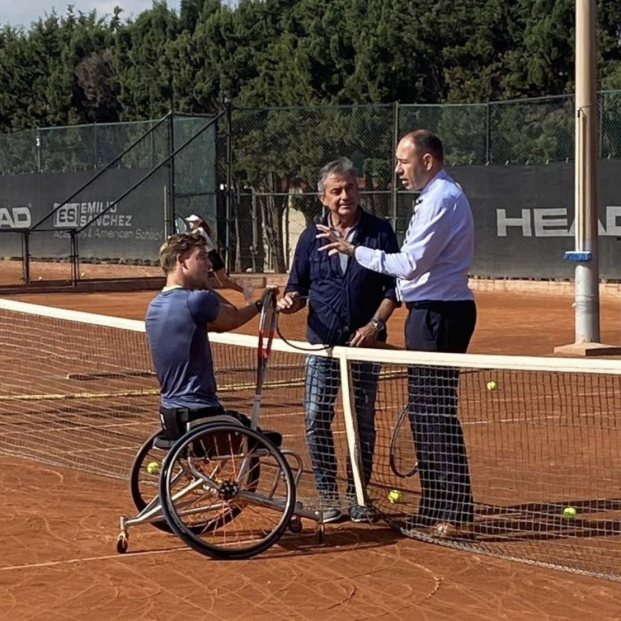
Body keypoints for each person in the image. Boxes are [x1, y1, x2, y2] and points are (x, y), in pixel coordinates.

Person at [317, 130, 476, 540]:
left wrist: (354, 251)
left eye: (404, 161)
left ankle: (457, 513)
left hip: (441, 315)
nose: (398, 169)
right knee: (423, 413)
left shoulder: (441, 198)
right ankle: (434, 506)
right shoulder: (432, 197)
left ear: (427, 161)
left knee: (435, 412)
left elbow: (409, 264)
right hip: (427, 313)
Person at [278, 157, 400, 523]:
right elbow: (297, 287)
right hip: (322, 345)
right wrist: (290, 301)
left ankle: (359, 497)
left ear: (358, 188)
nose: (344, 196)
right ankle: (329, 496)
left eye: (349, 188)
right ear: (323, 198)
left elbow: (394, 288)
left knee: (362, 422)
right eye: (336, 191)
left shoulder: (380, 232)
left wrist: (375, 325)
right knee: (316, 417)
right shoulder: (309, 238)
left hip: (365, 346)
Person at [145, 232, 273, 437]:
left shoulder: (154, 307)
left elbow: (215, 325)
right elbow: (233, 318)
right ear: (181, 261)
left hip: (170, 415)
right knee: (268, 440)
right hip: (201, 413)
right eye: (202, 257)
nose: (209, 265)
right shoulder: (197, 300)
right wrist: (261, 303)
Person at [185, 214, 245, 294]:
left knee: (223, 282)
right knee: (221, 282)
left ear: (197, 222)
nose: (190, 223)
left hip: (212, 256)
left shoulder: (200, 230)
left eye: (192, 222)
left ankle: (245, 291)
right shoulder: (199, 231)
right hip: (209, 256)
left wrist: (174, 238)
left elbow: (190, 235)